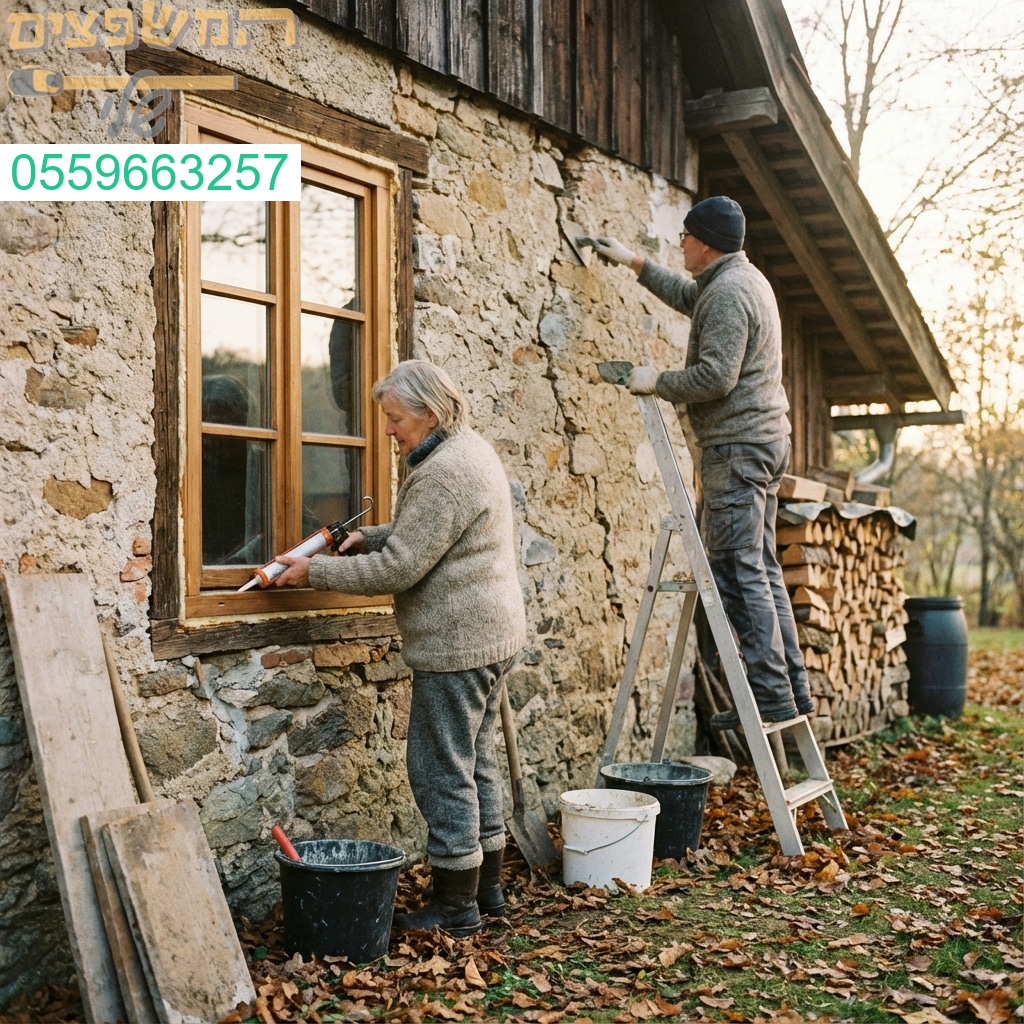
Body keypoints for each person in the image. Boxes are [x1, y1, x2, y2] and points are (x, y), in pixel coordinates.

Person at [273, 359, 527, 936]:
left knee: (439, 770)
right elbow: (434, 532)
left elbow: (402, 567)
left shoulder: (442, 474)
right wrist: (371, 535)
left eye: (395, 418)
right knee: (475, 762)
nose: (387, 429)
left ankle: (456, 909)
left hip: (458, 646)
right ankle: (486, 892)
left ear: (430, 414)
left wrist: (314, 571)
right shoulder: (469, 450)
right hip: (492, 637)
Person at [588, 196, 814, 728]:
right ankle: (792, 689)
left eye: (686, 236)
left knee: (737, 570)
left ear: (706, 243)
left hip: (737, 450)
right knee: (762, 568)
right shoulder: (735, 280)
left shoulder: (730, 293)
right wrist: (635, 263)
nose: (681, 243)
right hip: (761, 444)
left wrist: (656, 381)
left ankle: (769, 695)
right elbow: (690, 296)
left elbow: (715, 378)